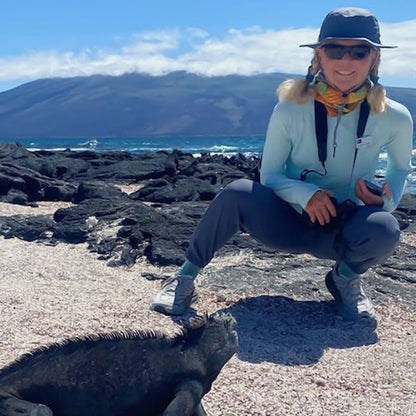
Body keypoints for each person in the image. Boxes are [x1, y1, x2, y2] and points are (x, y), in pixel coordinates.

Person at [150, 7, 413, 323]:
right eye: (335, 50)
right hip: (286, 222)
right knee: (237, 192)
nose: (346, 61)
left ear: (374, 59)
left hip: (343, 229)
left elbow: (400, 169)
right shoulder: (290, 109)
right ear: (319, 56)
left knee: (384, 228)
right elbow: (270, 174)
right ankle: (184, 277)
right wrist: (306, 195)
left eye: (359, 51)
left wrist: (383, 201)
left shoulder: (395, 116)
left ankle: (344, 279)